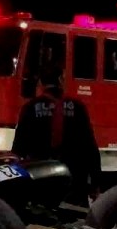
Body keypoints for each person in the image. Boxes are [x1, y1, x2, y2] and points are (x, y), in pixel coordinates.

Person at [11, 69, 101, 206]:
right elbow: (90, 147)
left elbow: (19, 148)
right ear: (61, 80)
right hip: (74, 179)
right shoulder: (78, 107)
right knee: (74, 220)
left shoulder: (30, 108)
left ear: (41, 83)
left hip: (41, 177)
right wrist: (95, 183)